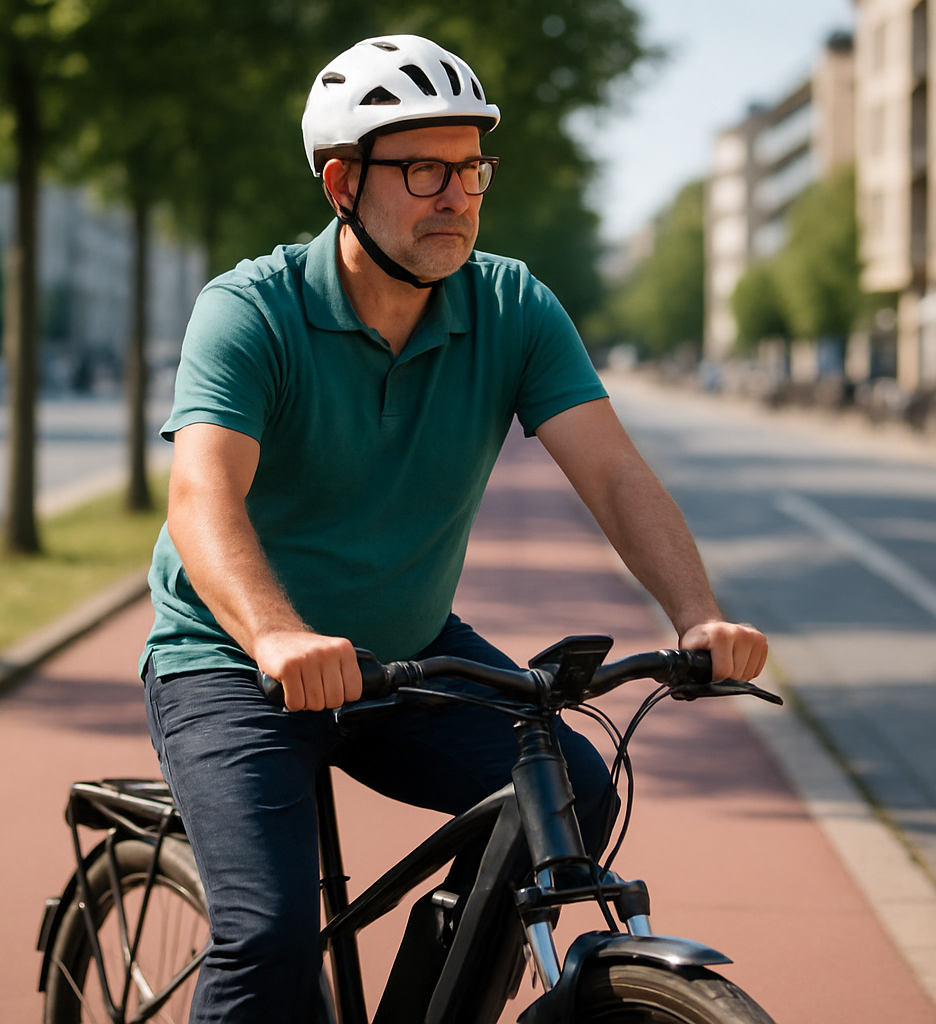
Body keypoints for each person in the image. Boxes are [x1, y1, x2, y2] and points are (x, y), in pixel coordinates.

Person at [140, 34, 768, 1024]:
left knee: (576, 797)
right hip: (233, 660)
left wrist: (696, 613)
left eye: (470, 168)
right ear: (342, 181)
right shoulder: (250, 311)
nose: (457, 195)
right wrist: (275, 635)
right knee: (266, 942)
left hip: (407, 652)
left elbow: (612, 472)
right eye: (424, 168)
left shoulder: (512, 305)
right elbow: (202, 495)